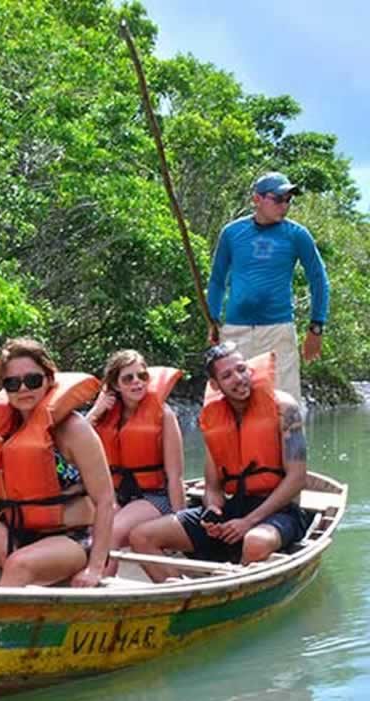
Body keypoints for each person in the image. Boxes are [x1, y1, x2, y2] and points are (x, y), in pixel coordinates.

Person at [0, 338, 114, 588]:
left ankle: (0, 627)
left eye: (32, 380)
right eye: (12, 383)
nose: (23, 389)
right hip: (16, 530)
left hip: (71, 539)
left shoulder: (75, 430)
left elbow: (106, 501)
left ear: (49, 379)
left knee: (19, 564)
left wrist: (95, 568)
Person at [130, 342, 308, 582]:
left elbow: (297, 479)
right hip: (236, 509)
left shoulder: (284, 408)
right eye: (227, 375)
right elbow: (213, 487)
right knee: (141, 536)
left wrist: (248, 522)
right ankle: (182, 591)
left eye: (241, 369)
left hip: (278, 511)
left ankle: (236, 589)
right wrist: (214, 512)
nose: (239, 378)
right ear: (216, 385)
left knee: (255, 542)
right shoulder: (215, 419)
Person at [207, 171, 330, 402]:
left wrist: (316, 327)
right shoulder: (232, 232)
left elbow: (318, 279)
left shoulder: (297, 235)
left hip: (278, 331)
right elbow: (217, 279)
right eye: (278, 199)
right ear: (257, 199)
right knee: (233, 405)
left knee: (284, 404)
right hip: (235, 332)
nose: (284, 205)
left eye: (288, 200)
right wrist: (212, 319)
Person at [85, 350, 185, 576]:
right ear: (116, 385)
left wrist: (180, 521)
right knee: (93, 532)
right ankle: (97, 584)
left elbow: (175, 476)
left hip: (157, 497)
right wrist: (94, 412)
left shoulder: (164, 414)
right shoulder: (105, 417)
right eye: (128, 378)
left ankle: (98, 587)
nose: (137, 382)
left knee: (113, 530)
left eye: (142, 376)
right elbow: (72, 452)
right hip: (119, 496)